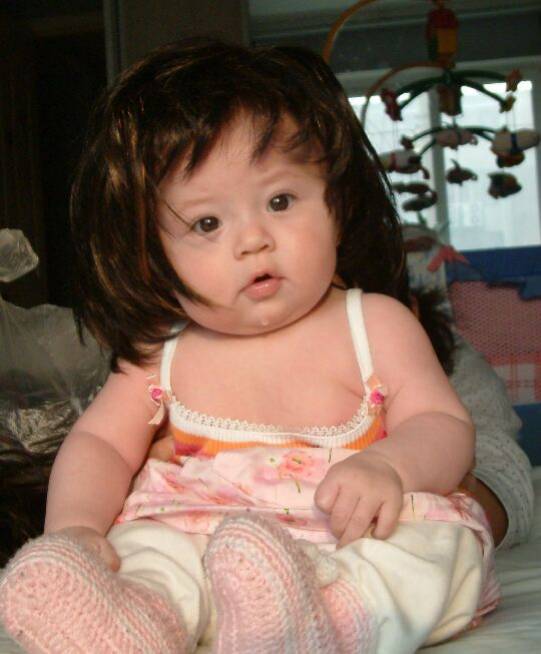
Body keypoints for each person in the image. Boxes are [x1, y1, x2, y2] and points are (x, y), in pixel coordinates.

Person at [0, 39, 500, 654]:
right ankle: (137, 619)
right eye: (207, 223)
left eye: (280, 201)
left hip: (348, 533)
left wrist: (391, 466)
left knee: (435, 548)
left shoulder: (375, 324)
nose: (253, 240)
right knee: (148, 550)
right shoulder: (163, 355)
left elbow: (442, 423)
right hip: (201, 531)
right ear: (152, 256)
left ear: (336, 207)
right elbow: (99, 444)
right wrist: (75, 529)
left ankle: (335, 618)